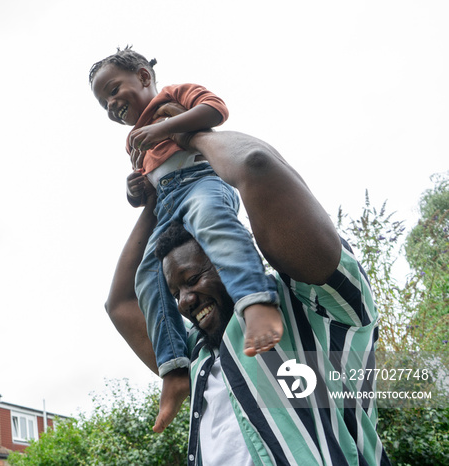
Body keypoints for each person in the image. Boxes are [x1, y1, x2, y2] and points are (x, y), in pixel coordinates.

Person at [106, 129, 391, 465]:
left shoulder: (309, 312)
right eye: (175, 293)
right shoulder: (195, 355)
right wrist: (159, 193)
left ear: (231, 261)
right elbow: (121, 303)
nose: (183, 302)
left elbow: (256, 164)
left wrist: (188, 136)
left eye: (193, 278)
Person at [91, 47, 283, 425]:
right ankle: (175, 369)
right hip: (164, 205)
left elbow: (216, 110)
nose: (111, 104)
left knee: (214, 225)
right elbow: (145, 189)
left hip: (201, 181)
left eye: (113, 91)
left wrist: (164, 127)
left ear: (144, 77)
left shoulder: (173, 95)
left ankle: (256, 300)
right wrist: (135, 190)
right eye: (103, 103)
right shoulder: (132, 141)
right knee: (147, 275)